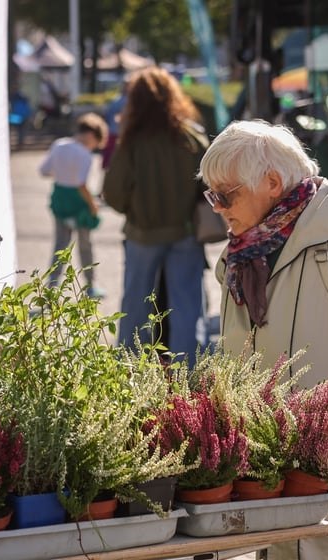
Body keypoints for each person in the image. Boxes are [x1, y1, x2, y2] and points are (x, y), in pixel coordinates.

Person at [200, 123, 328, 560]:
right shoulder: (240, 257)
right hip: (269, 460)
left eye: (226, 194)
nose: (218, 208)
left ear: (272, 183)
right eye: (211, 196)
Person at [103, 66, 209, 368]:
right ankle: (189, 377)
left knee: (135, 305)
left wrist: (134, 210)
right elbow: (209, 185)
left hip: (143, 233)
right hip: (186, 232)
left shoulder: (132, 141)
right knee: (188, 307)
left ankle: (128, 372)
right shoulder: (192, 136)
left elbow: (112, 191)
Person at [38, 112, 107, 297]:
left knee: (59, 247)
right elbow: (81, 184)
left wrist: (63, 173)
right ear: (92, 135)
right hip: (79, 203)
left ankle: (51, 289)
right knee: (85, 246)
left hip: (59, 199)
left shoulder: (59, 145)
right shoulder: (85, 154)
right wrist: (93, 205)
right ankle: (91, 286)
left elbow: (44, 171)